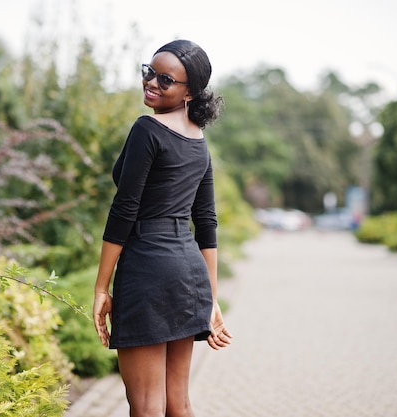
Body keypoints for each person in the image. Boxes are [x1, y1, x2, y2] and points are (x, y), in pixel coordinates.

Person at [93, 39, 232, 417]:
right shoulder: (199, 143)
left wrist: (102, 287)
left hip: (148, 271)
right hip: (187, 275)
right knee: (178, 403)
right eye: (148, 72)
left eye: (165, 79)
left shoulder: (147, 130)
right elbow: (206, 224)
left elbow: (124, 211)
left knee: (147, 407)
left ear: (190, 92)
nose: (151, 83)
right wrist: (211, 297)